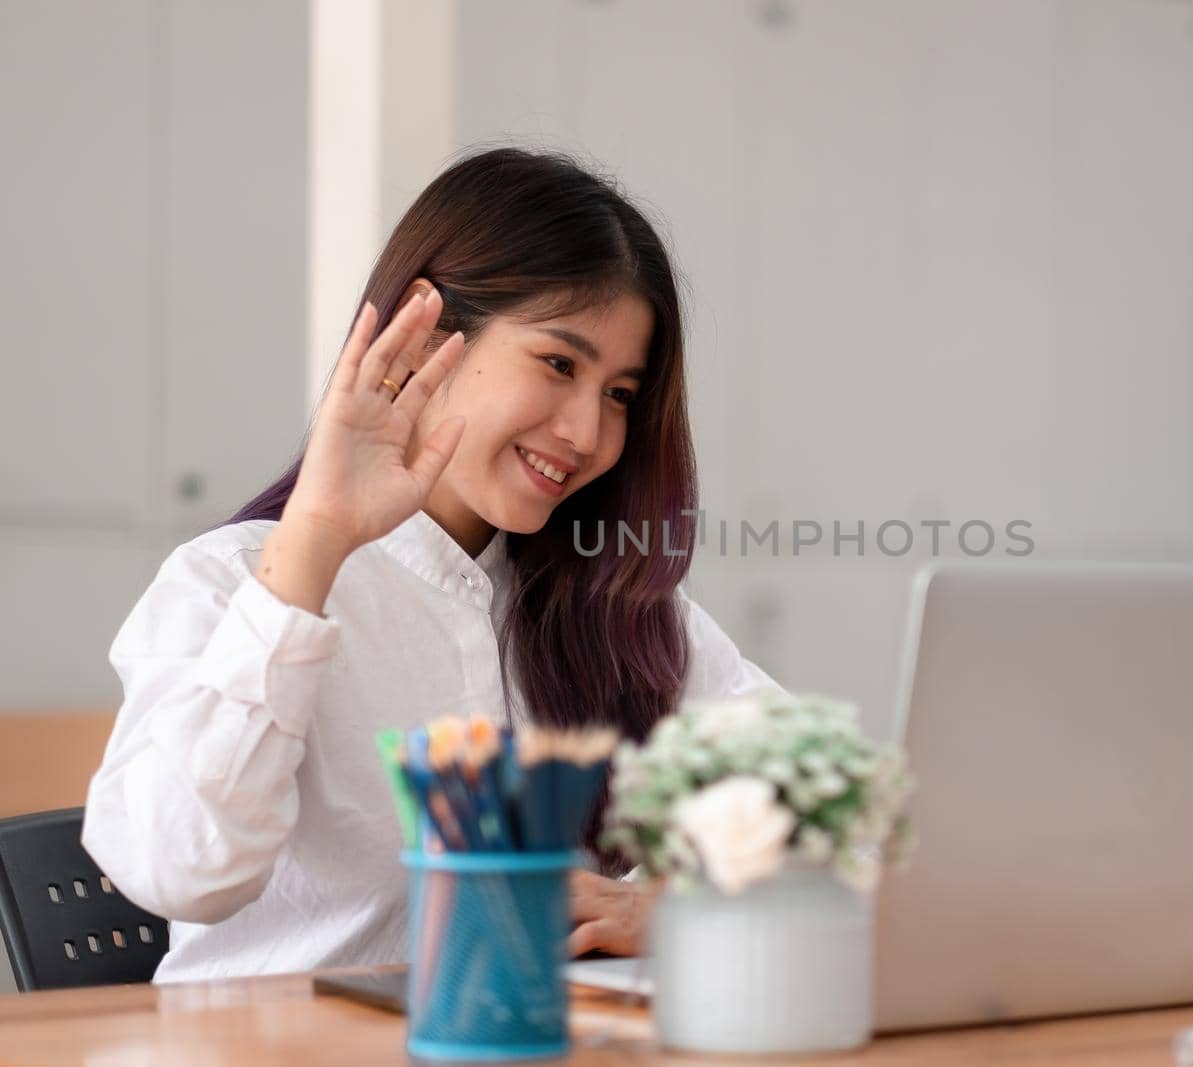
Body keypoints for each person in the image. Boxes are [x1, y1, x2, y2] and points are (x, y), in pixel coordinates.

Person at [81, 147, 779, 983]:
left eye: (620, 394)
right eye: (558, 364)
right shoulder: (229, 581)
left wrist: (669, 904)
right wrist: (313, 541)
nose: (587, 434)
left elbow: (829, 810)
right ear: (429, 329)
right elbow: (177, 870)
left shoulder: (617, 606)